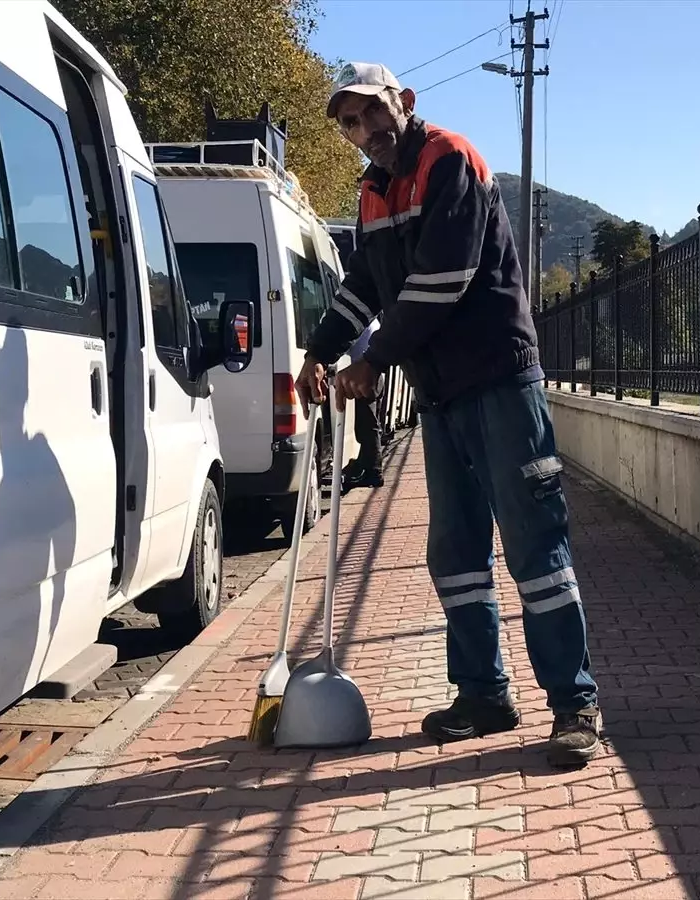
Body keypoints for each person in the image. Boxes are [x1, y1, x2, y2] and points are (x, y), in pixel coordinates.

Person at [294, 62, 601, 767]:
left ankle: (574, 703)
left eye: (371, 112)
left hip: (497, 379)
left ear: (403, 103)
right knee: (456, 555)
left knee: (534, 549)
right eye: (348, 122)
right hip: (441, 395)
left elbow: (443, 281)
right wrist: (320, 351)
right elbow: (364, 287)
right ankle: (484, 695)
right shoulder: (372, 194)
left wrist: (373, 362)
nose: (362, 131)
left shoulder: (449, 160)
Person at [343, 316, 384, 489]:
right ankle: (368, 466)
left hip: (364, 376)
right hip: (374, 374)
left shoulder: (355, 320)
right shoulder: (372, 321)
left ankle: (373, 471)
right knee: (370, 423)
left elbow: (345, 345)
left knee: (367, 425)